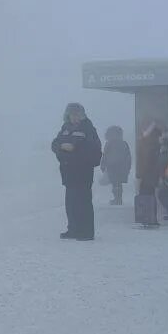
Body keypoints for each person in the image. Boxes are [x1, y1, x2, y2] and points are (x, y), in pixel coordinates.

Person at [52, 102, 102, 240]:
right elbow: (55, 144)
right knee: (71, 202)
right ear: (67, 116)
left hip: (83, 173)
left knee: (83, 202)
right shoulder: (65, 129)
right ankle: (73, 229)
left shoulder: (89, 129)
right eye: (72, 114)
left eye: (77, 114)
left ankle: (86, 232)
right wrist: (62, 146)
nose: (75, 117)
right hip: (68, 173)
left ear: (82, 115)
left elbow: (94, 151)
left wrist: (73, 149)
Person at [135, 120, 166, 225]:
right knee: (149, 195)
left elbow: (145, 161)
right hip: (150, 175)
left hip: (148, 175)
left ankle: (149, 218)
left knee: (146, 195)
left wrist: (140, 173)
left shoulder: (149, 145)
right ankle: (150, 218)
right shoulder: (153, 145)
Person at [100, 125, 132, 206]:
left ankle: (117, 199)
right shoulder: (124, 143)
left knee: (115, 183)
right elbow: (128, 156)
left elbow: (105, 155)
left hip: (112, 167)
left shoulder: (109, 143)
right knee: (118, 183)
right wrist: (128, 167)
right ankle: (118, 198)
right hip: (122, 167)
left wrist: (103, 166)